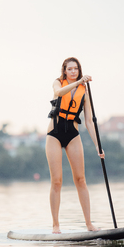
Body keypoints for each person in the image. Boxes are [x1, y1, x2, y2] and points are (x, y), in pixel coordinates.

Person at [46, 57, 105, 234]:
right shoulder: (58, 83)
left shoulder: (84, 92)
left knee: (81, 179)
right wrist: (79, 81)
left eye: (76, 69)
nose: (73, 71)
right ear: (64, 71)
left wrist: (98, 146)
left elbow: (89, 121)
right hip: (54, 135)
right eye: (70, 69)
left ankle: (89, 224)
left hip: (73, 135)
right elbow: (60, 93)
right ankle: (56, 225)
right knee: (57, 181)